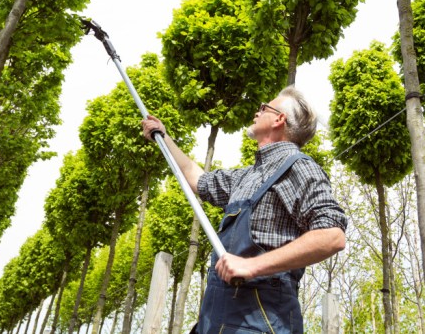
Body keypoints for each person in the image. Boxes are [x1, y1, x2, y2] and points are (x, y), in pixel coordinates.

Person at [141, 86, 347, 333]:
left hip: (261, 319)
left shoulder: (299, 167)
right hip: (216, 317)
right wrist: (163, 137)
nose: (256, 112)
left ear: (279, 119)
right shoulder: (246, 177)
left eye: (264, 108)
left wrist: (251, 266)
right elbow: (198, 180)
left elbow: (332, 235)